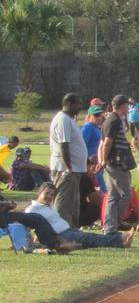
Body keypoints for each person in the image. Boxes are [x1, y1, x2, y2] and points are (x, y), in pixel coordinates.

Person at [29, 181, 133, 249]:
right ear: (39, 193)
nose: (49, 197)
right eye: (46, 193)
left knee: (88, 239)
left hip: (67, 230)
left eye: (52, 194)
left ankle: (120, 242)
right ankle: (121, 239)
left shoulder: (48, 206)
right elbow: (28, 228)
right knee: (89, 238)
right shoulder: (33, 209)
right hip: (60, 235)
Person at [98, 95, 137, 234]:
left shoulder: (112, 120)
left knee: (113, 196)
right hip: (116, 163)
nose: (128, 108)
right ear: (122, 106)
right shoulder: (113, 121)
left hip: (114, 163)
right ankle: (114, 223)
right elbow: (106, 143)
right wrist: (103, 160)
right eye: (127, 105)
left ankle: (109, 228)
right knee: (126, 195)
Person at [49, 93, 88, 229]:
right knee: (63, 205)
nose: (80, 107)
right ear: (69, 103)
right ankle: (59, 234)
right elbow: (63, 145)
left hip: (75, 169)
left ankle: (71, 233)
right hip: (65, 169)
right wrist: (69, 168)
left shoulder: (69, 119)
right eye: (78, 104)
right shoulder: (63, 119)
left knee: (73, 205)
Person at [0, 192, 80, 253]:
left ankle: (58, 242)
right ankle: (57, 244)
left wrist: (9, 205)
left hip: (3, 215)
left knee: (36, 217)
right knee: (36, 218)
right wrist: (5, 204)